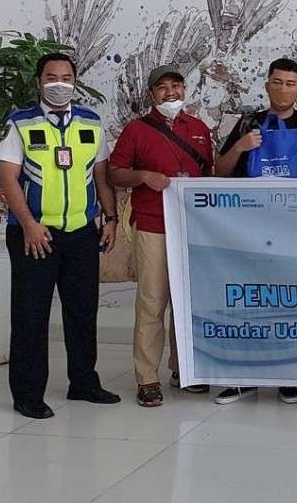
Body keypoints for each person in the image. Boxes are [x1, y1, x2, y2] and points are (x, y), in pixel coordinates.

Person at [0, 52, 121, 419]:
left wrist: (110, 218)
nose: (59, 84)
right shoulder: (19, 122)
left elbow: (101, 175)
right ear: (39, 81)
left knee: (82, 311)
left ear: (75, 81)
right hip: (34, 234)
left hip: (81, 233)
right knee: (31, 316)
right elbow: (7, 177)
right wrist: (30, 224)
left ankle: (83, 382)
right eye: (51, 77)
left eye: (66, 77)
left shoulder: (91, 123)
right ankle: (28, 394)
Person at [212, 57, 297, 406]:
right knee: (246, 300)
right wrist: (241, 146)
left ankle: (284, 376)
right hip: (248, 229)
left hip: (292, 228)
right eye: (277, 82)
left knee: (286, 302)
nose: (283, 89)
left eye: (290, 83)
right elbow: (219, 171)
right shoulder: (248, 122)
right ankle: (241, 378)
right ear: (266, 85)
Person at [109, 65, 215, 407]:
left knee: (185, 304)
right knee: (153, 302)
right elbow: (114, 173)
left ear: (185, 89)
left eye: (176, 85)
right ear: (152, 94)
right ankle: (147, 377)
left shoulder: (199, 128)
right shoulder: (136, 130)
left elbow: (209, 174)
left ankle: (181, 370)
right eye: (163, 87)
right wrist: (141, 175)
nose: (171, 92)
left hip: (190, 230)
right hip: (153, 226)